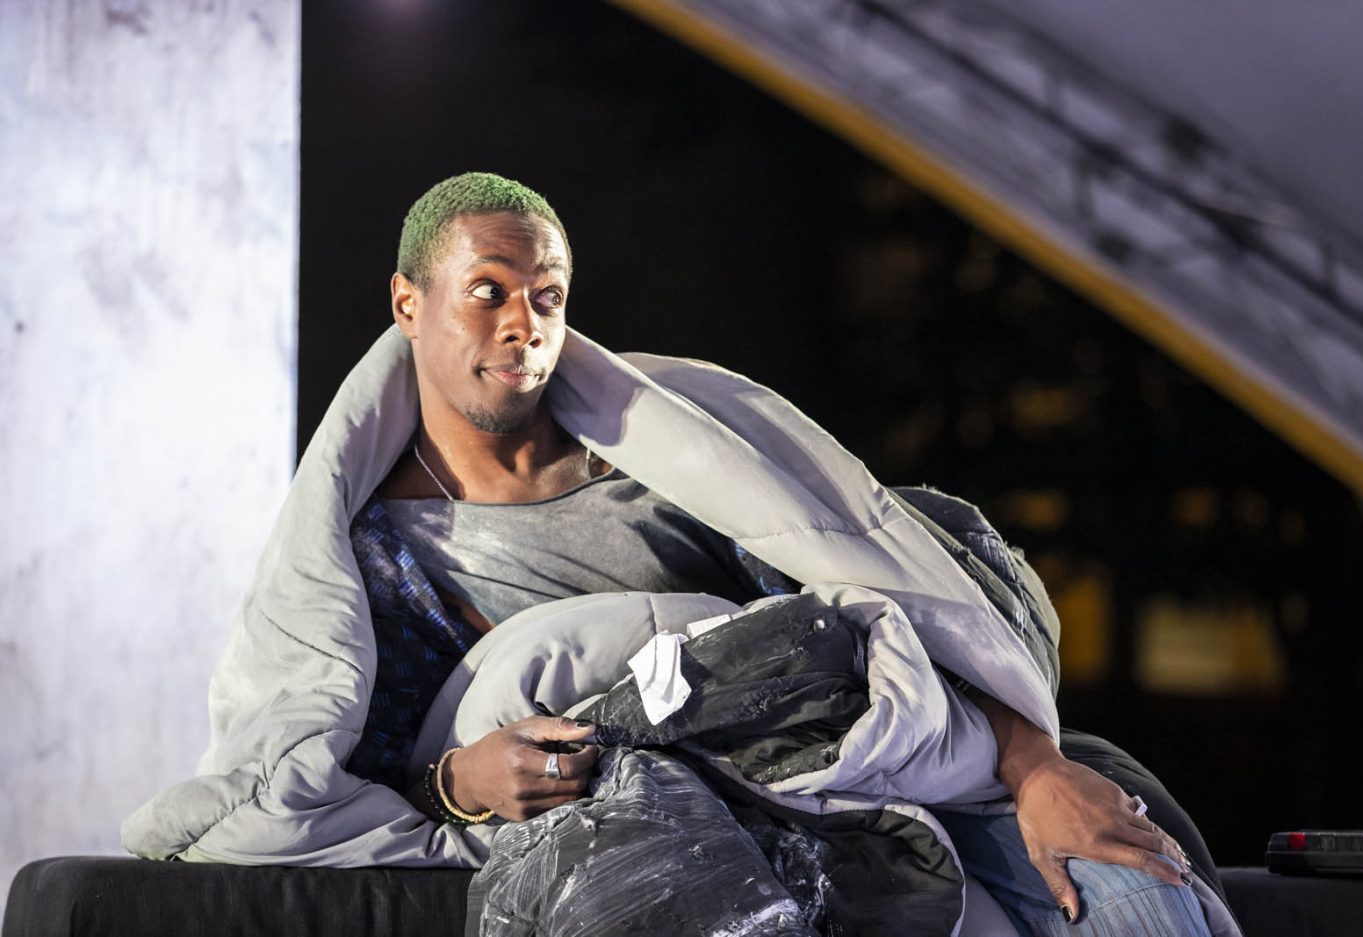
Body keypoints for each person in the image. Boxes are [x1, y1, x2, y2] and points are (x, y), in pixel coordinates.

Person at [125, 172, 1230, 936]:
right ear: (409, 305)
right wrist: (461, 782)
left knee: (1129, 884)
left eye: (547, 298)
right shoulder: (376, 555)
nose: (522, 324)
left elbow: (870, 620)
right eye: (487, 292)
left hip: (845, 772)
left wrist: (1036, 768)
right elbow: (358, 779)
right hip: (639, 819)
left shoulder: (670, 461)